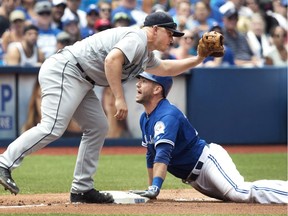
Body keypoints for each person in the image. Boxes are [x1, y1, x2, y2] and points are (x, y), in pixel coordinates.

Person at [0, 11, 210, 204]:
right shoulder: (137, 38)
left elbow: (165, 68)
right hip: (66, 69)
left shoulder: (145, 52)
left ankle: (82, 189)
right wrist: (119, 98)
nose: (172, 38)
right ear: (155, 29)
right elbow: (112, 61)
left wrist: (198, 59)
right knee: (53, 126)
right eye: (170, 32)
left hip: (81, 78)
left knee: (99, 126)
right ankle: (4, 164)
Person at [132, 72, 288, 204]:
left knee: (240, 192)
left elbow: (162, 154)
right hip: (195, 179)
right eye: (139, 80)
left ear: (157, 89)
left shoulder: (167, 115)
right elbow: (150, 154)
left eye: (144, 81)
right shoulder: (144, 118)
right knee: (236, 198)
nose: (138, 84)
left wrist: (156, 187)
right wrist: (151, 187)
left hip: (208, 163)